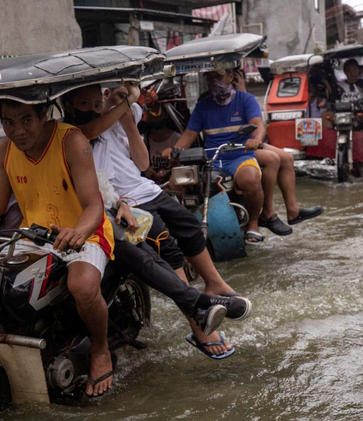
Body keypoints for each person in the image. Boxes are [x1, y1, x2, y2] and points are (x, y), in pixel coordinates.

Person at [0, 99, 116, 398]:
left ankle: (100, 349)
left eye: (26, 119)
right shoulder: (5, 148)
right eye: (9, 122)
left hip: (84, 232)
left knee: (81, 286)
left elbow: (94, 205)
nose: (18, 130)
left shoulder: (72, 141)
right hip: (34, 235)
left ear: (43, 114)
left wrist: (78, 232)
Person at [63, 84, 249, 357]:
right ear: (69, 107)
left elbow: (141, 163)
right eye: (84, 105)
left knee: (190, 227)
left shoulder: (113, 124)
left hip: (144, 190)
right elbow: (98, 180)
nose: (92, 111)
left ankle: (214, 282)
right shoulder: (76, 136)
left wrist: (125, 119)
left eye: (95, 104)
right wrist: (122, 107)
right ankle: (198, 322)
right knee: (167, 249)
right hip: (122, 203)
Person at [163, 67, 323, 244]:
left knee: (251, 178)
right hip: (213, 159)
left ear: (231, 77)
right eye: (209, 77)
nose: (213, 81)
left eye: (218, 76)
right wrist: (173, 150)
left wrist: (255, 139)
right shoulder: (203, 106)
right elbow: (188, 136)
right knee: (176, 182)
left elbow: (258, 125)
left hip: (239, 155)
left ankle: (254, 223)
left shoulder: (246, 99)